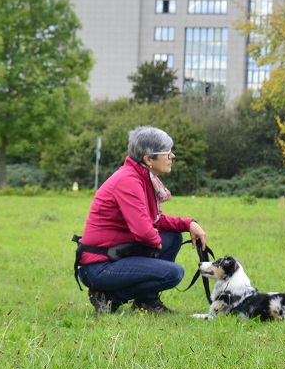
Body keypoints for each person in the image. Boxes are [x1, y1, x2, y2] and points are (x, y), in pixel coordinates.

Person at [76, 126, 207, 315]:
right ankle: (108, 298)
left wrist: (188, 224)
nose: (173, 156)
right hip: (99, 266)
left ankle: (146, 301)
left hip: (114, 256)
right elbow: (144, 231)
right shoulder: (128, 181)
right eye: (167, 153)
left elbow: (154, 220)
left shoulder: (141, 177)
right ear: (148, 159)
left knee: (173, 236)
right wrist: (156, 246)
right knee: (174, 273)